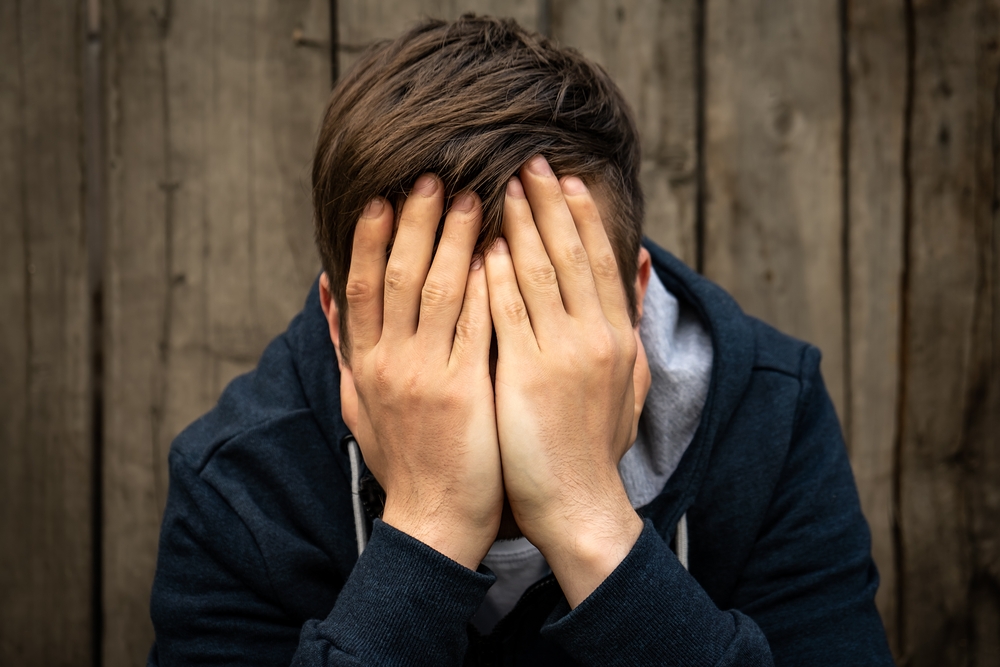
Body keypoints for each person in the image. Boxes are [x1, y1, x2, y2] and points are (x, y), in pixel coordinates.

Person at [148, 15, 894, 666]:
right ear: (340, 326)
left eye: (546, 321)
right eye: (439, 337)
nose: (501, 408)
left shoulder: (769, 416)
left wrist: (589, 520)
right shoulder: (238, 483)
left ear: (635, 298)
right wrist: (431, 525)